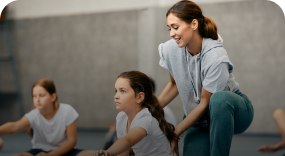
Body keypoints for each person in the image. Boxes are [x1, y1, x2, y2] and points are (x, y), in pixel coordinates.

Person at [157, 0, 254, 156]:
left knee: (219, 99)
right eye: (169, 28)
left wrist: (175, 133)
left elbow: (205, 103)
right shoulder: (170, 49)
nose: (171, 33)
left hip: (232, 111)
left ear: (194, 24)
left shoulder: (215, 57)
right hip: (199, 116)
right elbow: (174, 84)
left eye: (175, 27)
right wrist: (150, 109)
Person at [0, 78, 96, 156]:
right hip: (39, 151)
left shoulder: (67, 111)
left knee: (97, 154)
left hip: (64, 150)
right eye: (34, 96)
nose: (37, 100)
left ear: (53, 97)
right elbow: (14, 126)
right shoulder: (34, 115)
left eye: (42, 95)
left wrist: (50, 155)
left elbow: (72, 141)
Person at [94, 71, 178, 156]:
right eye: (116, 91)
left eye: (122, 91)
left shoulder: (145, 118)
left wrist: (108, 152)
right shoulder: (121, 117)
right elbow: (123, 153)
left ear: (140, 97)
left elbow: (127, 141)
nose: (116, 96)